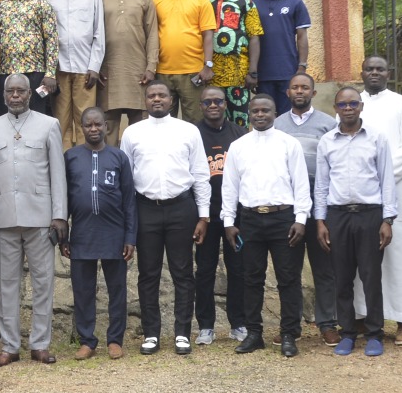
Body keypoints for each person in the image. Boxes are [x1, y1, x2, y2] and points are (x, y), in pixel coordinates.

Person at [0, 75, 68, 366]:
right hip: (5, 218)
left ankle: (40, 344)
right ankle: (10, 346)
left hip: (41, 217)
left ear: (30, 94)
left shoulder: (48, 125)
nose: (15, 95)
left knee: (43, 282)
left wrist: (59, 215)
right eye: (10, 91)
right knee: (6, 284)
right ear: (3, 95)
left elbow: (58, 174)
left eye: (20, 91)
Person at [121, 81, 209, 355]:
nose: (156, 99)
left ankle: (182, 332)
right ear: (145, 100)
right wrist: (128, 221)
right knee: (148, 274)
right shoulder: (132, 133)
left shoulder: (188, 131)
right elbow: (126, 179)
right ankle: (151, 333)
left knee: (183, 273)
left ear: (172, 100)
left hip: (181, 208)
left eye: (161, 95)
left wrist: (203, 216)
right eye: (151, 96)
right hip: (145, 208)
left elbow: (200, 174)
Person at [221, 96, 311, 357]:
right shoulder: (238, 146)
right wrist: (229, 221)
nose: (260, 115)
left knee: (288, 278)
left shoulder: (288, 144)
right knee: (251, 279)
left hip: (284, 219)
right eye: (255, 110)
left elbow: (301, 184)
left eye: (266, 110)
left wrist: (301, 219)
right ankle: (254, 333)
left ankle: (288, 334)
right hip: (249, 219)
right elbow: (230, 186)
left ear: (274, 113)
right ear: (249, 113)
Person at [313, 87, 396, 358]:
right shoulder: (327, 141)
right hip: (337, 216)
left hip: (370, 214)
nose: (348, 108)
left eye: (353, 103)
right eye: (342, 104)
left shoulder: (376, 138)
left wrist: (388, 219)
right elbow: (322, 185)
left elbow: (387, 180)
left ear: (361, 107)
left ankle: (374, 334)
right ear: (335, 109)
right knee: (342, 278)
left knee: (371, 276)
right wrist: (320, 221)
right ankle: (347, 333)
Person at [61, 108, 136, 361]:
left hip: (114, 234)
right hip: (82, 234)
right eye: (88, 125)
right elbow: (64, 200)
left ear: (107, 126)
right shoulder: (70, 157)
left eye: (98, 125)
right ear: (81, 128)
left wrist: (130, 237)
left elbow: (129, 202)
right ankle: (87, 340)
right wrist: (64, 237)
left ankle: (115, 340)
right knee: (83, 291)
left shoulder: (119, 157)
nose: (93, 129)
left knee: (117, 290)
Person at [358, 55, 402, 344]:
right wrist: (367, 180)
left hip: (397, 187)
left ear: (389, 73)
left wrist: (382, 177)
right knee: (364, 254)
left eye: (380, 69)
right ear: (362, 72)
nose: (374, 73)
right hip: (361, 191)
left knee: (400, 253)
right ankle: (364, 316)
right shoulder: (351, 102)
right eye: (369, 69)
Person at [274, 72, 339, 344]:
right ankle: (291, 327)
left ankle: (327, 323)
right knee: (289, 270)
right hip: (288, 206)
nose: (299, 91)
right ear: (288, 93)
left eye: (305, 88)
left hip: (320, 204)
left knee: (324, 266)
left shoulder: (328, 123)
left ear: (313, 93)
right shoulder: (276, 125)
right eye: (294, 88)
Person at [192, 86, 246, 345]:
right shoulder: (193, 135)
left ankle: (239, 323)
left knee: (238, 270)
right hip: (205, 215)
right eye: (207, 102)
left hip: (235, 216)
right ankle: (205, 326)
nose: (212, 105)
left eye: (218, 101)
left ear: (226, 104)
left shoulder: (239, 135)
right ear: (201, 106)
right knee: (204, 270)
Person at [47, 0, 105, 148]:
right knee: (60, 121)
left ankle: (84, 164)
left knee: (86, 121)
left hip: (85, 69)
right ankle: (63, 168)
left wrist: (95, 66)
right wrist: (49, 71)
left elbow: (99, 33)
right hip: (58, 68)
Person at [98, 0, 160, 136]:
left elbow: (153, 35)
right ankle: (109, 164)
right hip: (108, 71)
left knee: (139, 123)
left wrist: (151, 67)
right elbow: (93, 35)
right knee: (109, 122)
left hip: (138, 70)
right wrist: (96, 67)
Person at [0, 0, 59, 118]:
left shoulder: (41, 5)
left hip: (36, 74)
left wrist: (50, 74)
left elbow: (52, 41)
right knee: (7, 118)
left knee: (36, 117)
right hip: (5, 74)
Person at [152, 0, 217, 122]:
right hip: (163, 71)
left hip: (193, 72)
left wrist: (208, 65)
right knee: (163, 121)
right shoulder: (157, 1)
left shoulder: (201, 0)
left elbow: (208, 34)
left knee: (195, 120)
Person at [208, 0, 263, 127]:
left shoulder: (246, 4)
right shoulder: (203, 3)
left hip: (239, 76)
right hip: (211, 78)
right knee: (214, 122)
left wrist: (252, 72)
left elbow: (254, 37)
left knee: (240, 123)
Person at [253, 0, 311, 114]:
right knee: (265, 115)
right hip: (262, 74)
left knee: (287, 116)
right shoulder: (252, 4)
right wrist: (251, 72)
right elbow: (250, 40)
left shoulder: (295, 3)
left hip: (288, 72)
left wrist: (302, 67)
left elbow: (302, 36)